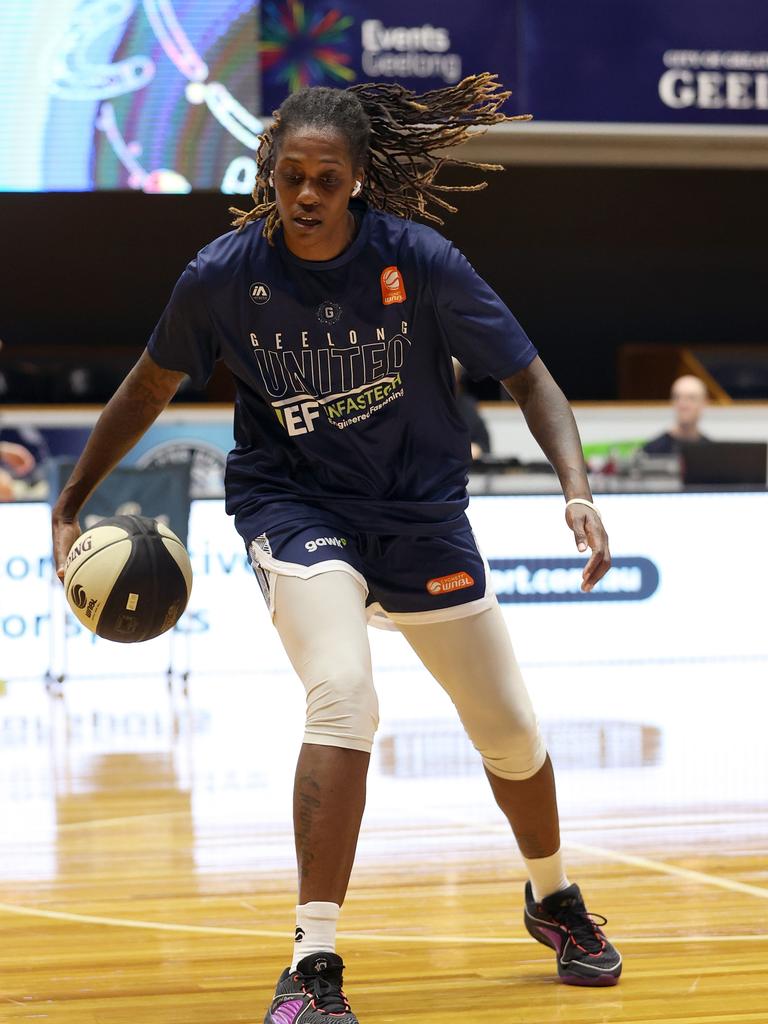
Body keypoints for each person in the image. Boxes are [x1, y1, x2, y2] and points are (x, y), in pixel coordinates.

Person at [52, 75, 621, 1022]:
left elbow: (532, 379)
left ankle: (553, 896)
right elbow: (148, 387)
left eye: (325, 179)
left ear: (356, 181)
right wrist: (72, 497)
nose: (305, 196)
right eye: (288, 178)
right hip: (295, 505)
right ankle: (312, 964)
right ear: (268, 175)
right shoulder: (225, 276)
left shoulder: (422, 261)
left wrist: (578, 491)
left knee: (512, 731)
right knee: (343, 693)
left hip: (420, 514)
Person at [642, 374, 711, 454]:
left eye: (691, 398)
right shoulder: (652, 450)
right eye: (677, 397)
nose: (683, 405)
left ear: (704, 403)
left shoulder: (712, 452)